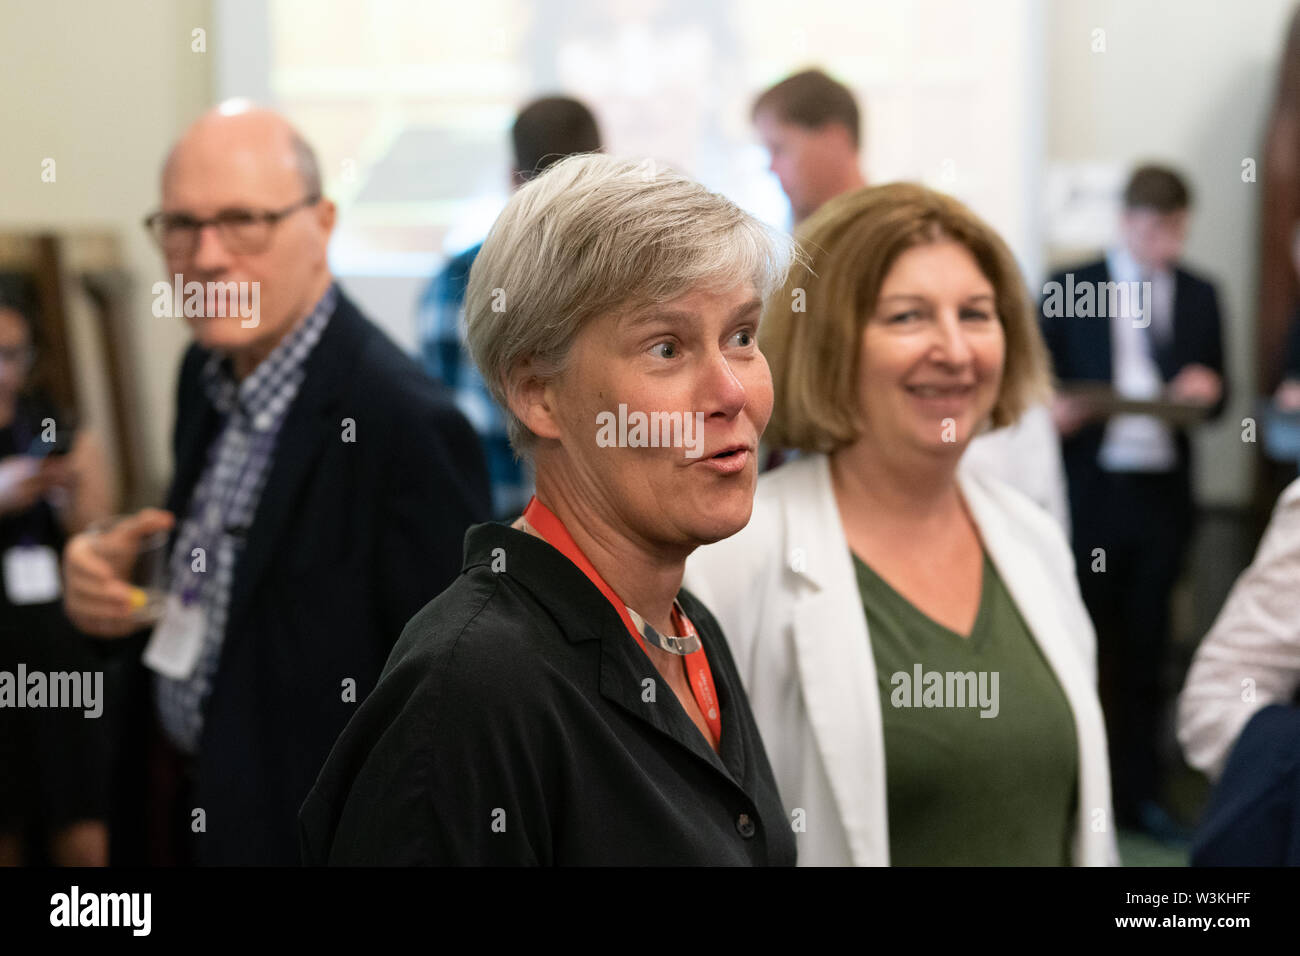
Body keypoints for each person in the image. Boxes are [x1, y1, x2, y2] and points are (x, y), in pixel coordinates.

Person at [301, 154, 796, 865]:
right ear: (538, 394)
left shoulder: (686, 627)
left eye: (742, 337)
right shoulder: (472, 687)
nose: (732, 392)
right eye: (667, 348)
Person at [60, 102, 490, 865]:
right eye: (182, 226)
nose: (209, 256)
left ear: (322, 223)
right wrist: (117, 584)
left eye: (243, 221)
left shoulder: (404, 423)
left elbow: (440, 711)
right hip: (178, 806)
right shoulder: (206, 372)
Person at [685, 183, 1118, 866]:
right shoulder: (736, 556)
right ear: (832, 342)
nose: (953, 349)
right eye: (908, 317)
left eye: (977, 315)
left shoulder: (1031, 539)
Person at [1040, 163, 1228, 840]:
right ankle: (1076, 794)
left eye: (1176, 228)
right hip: (1092, 493)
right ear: (1127, 222)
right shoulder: (1072, 286)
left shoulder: (1203, 293)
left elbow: (1221, 393)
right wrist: (1055, 409)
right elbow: (1035, 384)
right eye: (1153, 228)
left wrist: (1209, 391)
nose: (1165, 242)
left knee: (1150, 650)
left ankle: (1141, 795)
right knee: (1081, 646)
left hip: (1162, 498)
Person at [419, 95, 601, 519]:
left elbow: (437, 419)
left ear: (513, 177)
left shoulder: (455, 280)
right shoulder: (634, 278)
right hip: (606, 531)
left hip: (482, 529)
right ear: (602, 167)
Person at [0, 294, 114, 866]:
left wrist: (65, 487)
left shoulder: (54, 423)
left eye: (11, 354)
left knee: (78, 803)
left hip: (55, 639)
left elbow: (99, 535)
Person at [751, 68, 866, 226]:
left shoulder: (894, 237)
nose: (771, 167)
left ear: (835, 140)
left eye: (779, 148)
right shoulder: (792, 234)